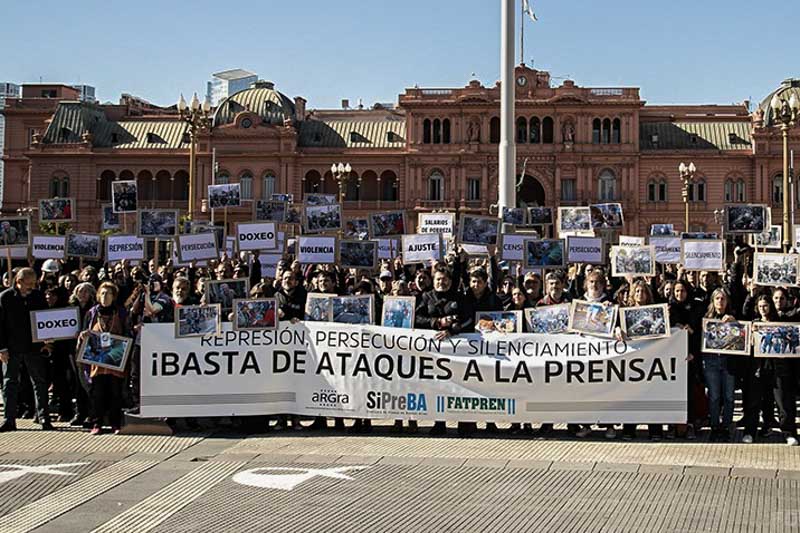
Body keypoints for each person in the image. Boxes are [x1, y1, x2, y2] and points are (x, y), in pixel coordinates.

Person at [0, 268, 51, 432]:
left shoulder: (37, 296)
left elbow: (45, 319)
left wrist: (46, 340)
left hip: (33, 347)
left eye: (34, 283)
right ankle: (9, 419)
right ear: (18, 282)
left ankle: (43, 417)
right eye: (29, 284)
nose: (32, 287)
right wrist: (2, 348)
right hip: (12, 347)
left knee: (39, 382)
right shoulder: (5, 298)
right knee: (10, 383)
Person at [416, 264, 463, 435]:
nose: (441, 282)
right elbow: (417, 318)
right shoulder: (426, 297)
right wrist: (436, 323)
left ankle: (463, 422)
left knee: (459, 387)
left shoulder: (459, 297)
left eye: (444, 279)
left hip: (458, 353)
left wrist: (451, 330)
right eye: (438, 279)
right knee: (437, 387)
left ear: (450, 281)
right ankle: (439, 422)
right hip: (433, 353)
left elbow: (468, 320)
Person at [79, 281, 129, 435]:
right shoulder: (92, 313)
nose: (105, 296)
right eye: (102, 293)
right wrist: (84, 335)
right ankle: (97, 423)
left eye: (109, 293)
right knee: (97, 393)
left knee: (115, 392)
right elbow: (84, 332)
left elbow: (127, 333)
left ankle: (115, 423)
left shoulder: (121, 313)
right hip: (97, 362)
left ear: (114, 297)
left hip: (115, 359)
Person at [741, 294, 778, 443]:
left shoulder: (778, 323)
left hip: (773, 367)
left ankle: (767, 427)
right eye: (761, 306)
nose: (763, 309)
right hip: (756, 368)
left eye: (766, 305)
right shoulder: (754, 324)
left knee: (769, 399)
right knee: (753, 401)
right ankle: (750, 431)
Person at [702, 288, 738, 442]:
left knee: (729, 397)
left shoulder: (733, 317)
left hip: (728, 362)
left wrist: (735, 323)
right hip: (711, 361)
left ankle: (727, 426)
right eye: (717, 298)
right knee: (714, 396)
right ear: (713, 301)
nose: (720, 302)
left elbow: (740, 337)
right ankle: (715, 427)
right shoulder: (706, 318)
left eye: (723, 299)